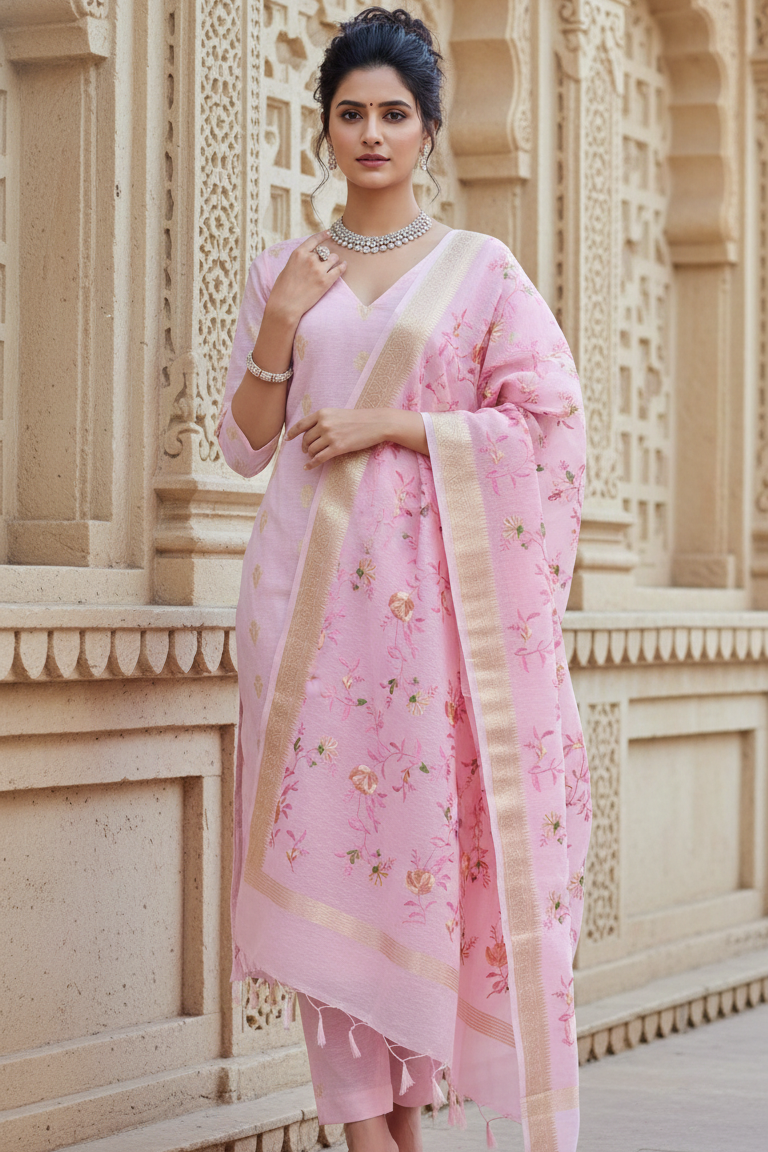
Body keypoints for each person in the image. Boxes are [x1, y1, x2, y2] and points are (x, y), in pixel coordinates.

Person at [216, 9, 591, 1152]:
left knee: (414, 864)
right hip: (307, 622)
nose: (370, 133)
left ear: (429, 131)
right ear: (324, 126)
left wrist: (397, 422)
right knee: (325, 850)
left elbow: (549, 421)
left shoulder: (482, 273)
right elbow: (242, 442)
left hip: (431, 639)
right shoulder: (285, 268)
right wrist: (282, 325)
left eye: (393, 114)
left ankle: (405, 1128)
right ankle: (362, 1133)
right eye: (349, 113)